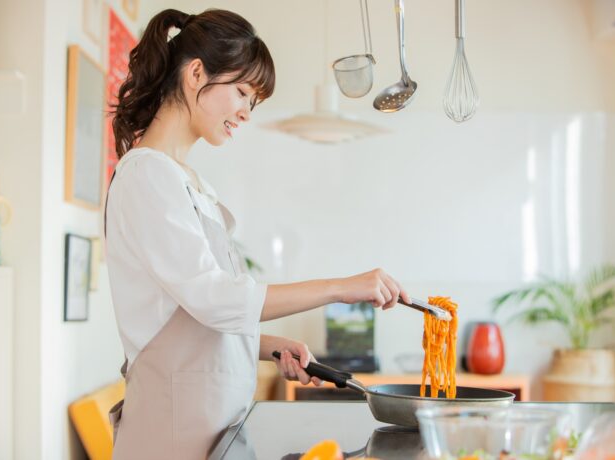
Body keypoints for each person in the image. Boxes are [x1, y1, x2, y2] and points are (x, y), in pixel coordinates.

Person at [105, 8, 410, 460]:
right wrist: (341, 288)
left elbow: (194, 317)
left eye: (254, 100)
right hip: (171, 435)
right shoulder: (147, 175)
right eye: (243, 92)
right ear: (195, 74)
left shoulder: (185, 180)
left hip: (208, 429)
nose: (246, 112)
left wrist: (265, 345)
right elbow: (216, 298)